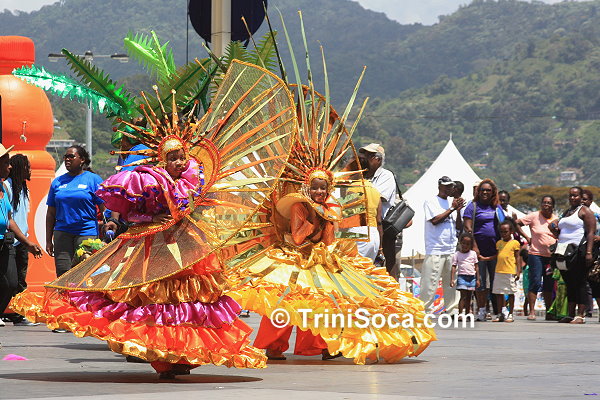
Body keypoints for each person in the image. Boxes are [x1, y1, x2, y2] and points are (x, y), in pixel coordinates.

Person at [12, 61, 298, 378]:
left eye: (182, 156)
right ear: (162, 159)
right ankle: (158, 355)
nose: (179, 161)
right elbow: (130, 209)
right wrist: (149, 214)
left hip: (190, 252)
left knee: (189, 304)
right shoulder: (147, 180)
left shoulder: (196, 178)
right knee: (150, 302)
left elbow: (202, 206)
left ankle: (182, 355)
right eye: (172, 157)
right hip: (154, 249)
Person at [229, 87, 434, 364]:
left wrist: (328, 235)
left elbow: (331, 236)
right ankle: (275, 345)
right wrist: (315, 220)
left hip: (323, 257)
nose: (319, 192)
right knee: (287, 299)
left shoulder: (333, 205)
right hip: (296, 256)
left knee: (327, 300)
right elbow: (299, 236)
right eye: (315, 188)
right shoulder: (298, 203)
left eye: (322, 188)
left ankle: (322, 344)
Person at [0, 144, 42, 329]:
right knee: (8, 281)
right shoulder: (7, 186)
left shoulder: (12, 188)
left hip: (13, 242)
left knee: (15, 281)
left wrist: (28, 241)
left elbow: (12, 218)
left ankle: (17, 313)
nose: (9, 166)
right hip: (10, 241)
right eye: (5, 162)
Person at [46, 145, 105, 277]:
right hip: (62, 233)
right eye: (65, 157)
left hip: (86, 232)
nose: (67, 159)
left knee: (85, 274)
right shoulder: (57, 182)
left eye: (71, 156)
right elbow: (50, 213)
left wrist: (108, 226)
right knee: (63, 274)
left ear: (82, 159)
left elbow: (104, 207)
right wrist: (48, 240)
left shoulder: (93, 179)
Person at [358, 143, 411, 276]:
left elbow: (377, 198)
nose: (364, 158)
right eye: (363, 155)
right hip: (365, 226)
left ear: (378, 159)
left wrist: (355, 194)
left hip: (384, 227)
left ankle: (392, 288)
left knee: (388, 263)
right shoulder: (361, 176)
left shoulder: (386, 176)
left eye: (369, 156)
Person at [549, 186, 595, 324]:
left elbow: (591, 232)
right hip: (564, 252)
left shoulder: (585, 211)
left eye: (575, 195)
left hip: (578, 251)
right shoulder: (567, 212)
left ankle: (580, 315)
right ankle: (570, 314)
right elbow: (561, 230)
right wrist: (554, 228)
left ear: (581, 197)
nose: (573, 198)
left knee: (580, 282)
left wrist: (589, 252)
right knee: (569, 283)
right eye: (570, 195)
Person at [463, 179, 506, 322]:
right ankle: (482, 310)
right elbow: (468, 228)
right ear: (478, 192)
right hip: (478, 251)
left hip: (495, 251)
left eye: (488, 190)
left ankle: (500, 312)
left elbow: (504, 226)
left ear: (493, 192)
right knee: (479, 282)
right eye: (483, 190)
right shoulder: (473, 206)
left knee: (497, 283)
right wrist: (475, 247)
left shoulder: (497, 207)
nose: (485, 192)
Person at [421, 176, 464, 314]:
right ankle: (426, 310)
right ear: (439, 186)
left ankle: (452, 309)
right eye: (446, 186)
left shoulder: (452, 203)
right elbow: (435, 220)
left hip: (451, 248)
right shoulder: (431, 201)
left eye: (450, 186)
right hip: (435, 248)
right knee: (430, 282)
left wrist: (458, 211)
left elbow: (459, 227)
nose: (448, 188)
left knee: (451, 282)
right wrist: (452, 208)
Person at [516, 195, 558, 320]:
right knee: (535, 281)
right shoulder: (534, 216)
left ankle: (549, 312)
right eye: (544, 202)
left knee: (549, 284)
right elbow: (517, 223)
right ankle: (532, 311)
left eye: (549, 203)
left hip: (551, 256)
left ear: (553, 206)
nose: (546, 205)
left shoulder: (556, 219)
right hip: (536, 255)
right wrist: (527, 237)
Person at [489, 221, 521, 323]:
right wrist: (486, 258)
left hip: (510, 271)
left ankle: (510, 314)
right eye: (501, 232)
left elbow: (518, 257)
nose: (503, 234)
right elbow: (498, 255)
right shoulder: (499, 243)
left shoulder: (515, 243)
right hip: (499, 270)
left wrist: (518, 270)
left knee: (510, 293)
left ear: (511, 231)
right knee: (499, 293)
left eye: (506, 231)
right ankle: (500, 313)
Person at [581, 189, 600, 321]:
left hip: (595, 252)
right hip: (579, 252)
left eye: (585, 199)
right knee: (581, 282)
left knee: (595, 282)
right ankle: (581, 312)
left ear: (591, 201)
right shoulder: (574, 214)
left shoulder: (597, 215)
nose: (582, 201)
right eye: (581, 198)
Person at [450, 233, 479, 316]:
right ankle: (460, 313)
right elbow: (454, 267)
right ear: (460, 243)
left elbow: (476, 267)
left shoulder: (473, 254)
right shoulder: (457, 254)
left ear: (471, 245)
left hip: (471, 277)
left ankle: (467, 313)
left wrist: (478, 279)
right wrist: (452, 279)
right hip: (462, 277)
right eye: (463, 243)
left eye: (467, 244)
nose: (465, 246)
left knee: (469, 296)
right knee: (463, 296)